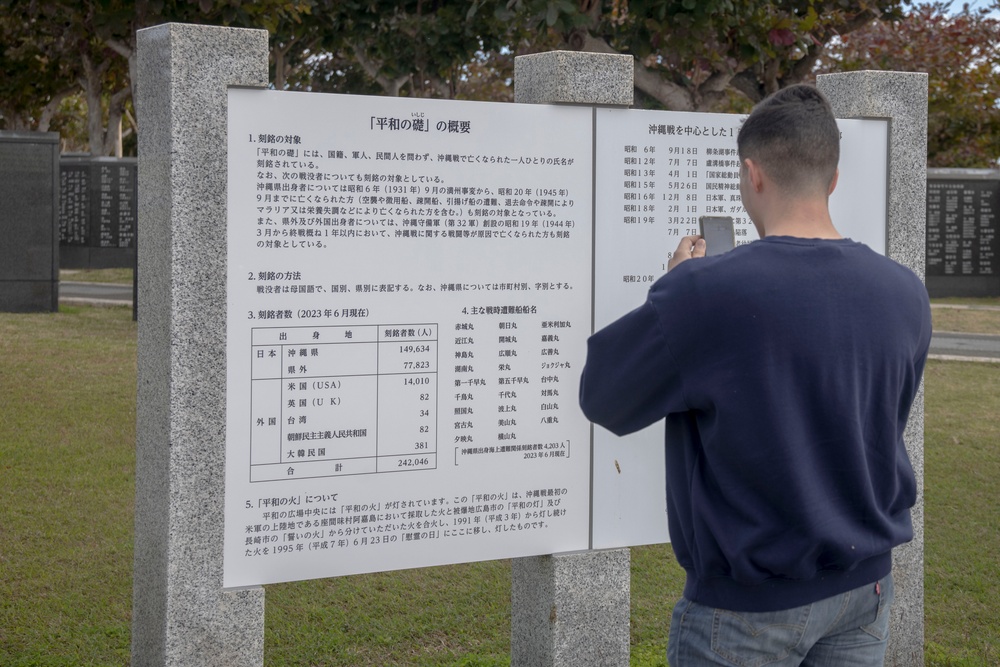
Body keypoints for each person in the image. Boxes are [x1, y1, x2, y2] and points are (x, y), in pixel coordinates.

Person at [579, 84, 931, 666]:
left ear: (752, 173)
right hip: (865, 588)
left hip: (745, 607)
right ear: (833, 177)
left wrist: (671, 289)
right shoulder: (904, 291)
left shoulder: (701, 291)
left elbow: (604, 396)